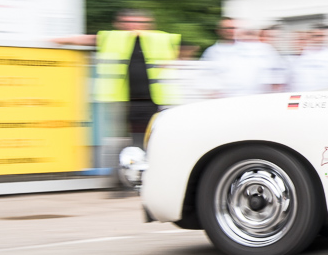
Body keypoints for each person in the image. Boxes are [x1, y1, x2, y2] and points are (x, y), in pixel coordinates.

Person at [53, 8, 179, 149]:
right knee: (132, 140)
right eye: (128, 22)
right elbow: (88, 39)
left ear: (149, 24)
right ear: (119, 24)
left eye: (139, 22)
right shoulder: (113, 38)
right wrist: (59, 40)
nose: (134, 26)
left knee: (153, 137)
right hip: (123, 101)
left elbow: (184, 49)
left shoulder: (160, 39)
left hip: (154, 100)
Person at [202, 18, 286, 97]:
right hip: (224, 101)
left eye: (233, 28)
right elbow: (206, 78)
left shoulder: (254, 49)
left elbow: (275, 77)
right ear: (219, 30)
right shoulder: (211, 52)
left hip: (253, 98)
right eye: (226, 28)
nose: (230, 30)